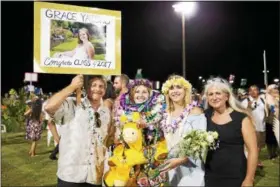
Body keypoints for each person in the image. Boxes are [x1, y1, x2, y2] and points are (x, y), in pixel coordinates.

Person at [44, 74, 111, 187]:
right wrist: (72, 86)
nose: (97, 89)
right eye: (93, 85)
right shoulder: (73, 104)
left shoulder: (106, 112)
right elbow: (49, 107)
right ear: (86, 88)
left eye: (101, 86)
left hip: (95, 176)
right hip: (71, 175)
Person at [204, 77, 258, 187]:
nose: (214, 97)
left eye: (218, 93)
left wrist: (249, 179)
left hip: (235, 175)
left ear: (227, 96)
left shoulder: (241, 118)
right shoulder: (204, 116)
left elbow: (253, 150)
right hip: (209, 175)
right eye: (210, 94)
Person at [113, 78, 166, 186]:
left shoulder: (157, 111)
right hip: (131, 158)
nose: (140, 95)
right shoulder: (124, 111)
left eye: (144, 92)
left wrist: (147, 122)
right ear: (132, 94)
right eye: (137, 91)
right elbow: (118, 133)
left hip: (150, 158)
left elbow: (160, 131)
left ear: (150, 94)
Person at [159, 75, 206, 186]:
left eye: (178, 87)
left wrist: (181, 160)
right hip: (171, 166)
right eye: (171, 88)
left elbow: (200, 143)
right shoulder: (166, 114)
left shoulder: (195, 112)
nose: (175, 91)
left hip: (192, 168)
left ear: (185, 90)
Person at [241, 85, 266, 168]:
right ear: (249, 92)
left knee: (259, 146)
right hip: (252, 127)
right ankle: (251, 163)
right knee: (251, 146)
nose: (253, 92)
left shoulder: (262, 99)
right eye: (251, 90)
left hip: (261, 126)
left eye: (255, 90)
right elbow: (241, 114)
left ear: (258, 91)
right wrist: (248, 107)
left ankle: (255, 160)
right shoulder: (245, 101)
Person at [265, 84, 279, 159]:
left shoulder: (277, 98)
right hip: (270, 122)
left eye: (277, 89)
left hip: (277, 121)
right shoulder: (267, 100)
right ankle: (271, 153)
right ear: (270, 91)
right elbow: (271, 110)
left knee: (276, 138)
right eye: (274, 89)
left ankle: (275, 152)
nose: (276, 90)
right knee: (270, 139)